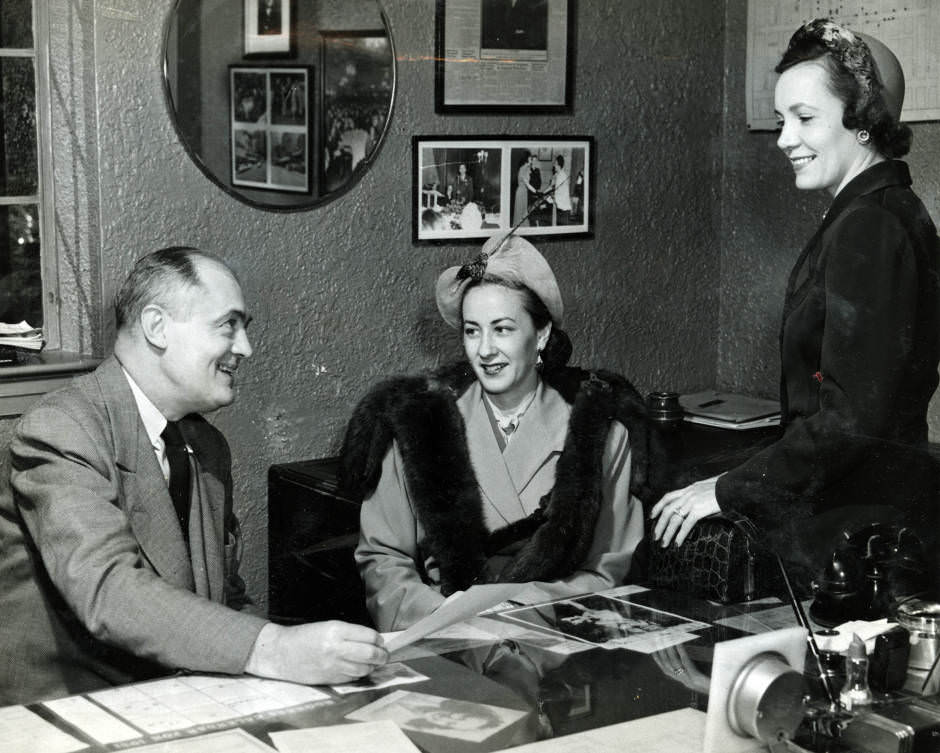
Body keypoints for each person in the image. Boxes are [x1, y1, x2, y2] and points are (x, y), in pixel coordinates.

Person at [0, 247, 387, 705]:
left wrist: (313, 654)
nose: (245, 348)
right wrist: (275, 649)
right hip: (64, 715)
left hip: (174, 700)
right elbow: (108, 591)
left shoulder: (205, 446)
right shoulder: (61, 429)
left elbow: (223, 599)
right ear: (157, 326)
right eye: (229, 325)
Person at [652, 19, 940, 583]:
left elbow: (853, 418)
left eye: (805, 119)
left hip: (863, 535)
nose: (785, 139)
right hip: (867, 513)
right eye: (783, 120)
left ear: (863, 123)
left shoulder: (872, 227)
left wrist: (730, 489)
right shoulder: (880, 212)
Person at [343, 235, 654, 631]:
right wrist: (445, 619)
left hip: (553, 647)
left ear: (541, 335)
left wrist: (510, 610)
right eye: (472, 331)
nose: (485, 350)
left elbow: (610, 571)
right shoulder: (421, 424)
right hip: (446, 639)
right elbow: (383, 560)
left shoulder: (601, 437)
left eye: (502, 329)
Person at [513, 153, 535, 226]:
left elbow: (529, 181)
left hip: (525, 192)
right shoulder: (522, 168)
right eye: (530, 158)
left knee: (524, 214)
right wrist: (536, 192)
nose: (531, 160)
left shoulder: (528, 168)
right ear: (526, 159)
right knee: (519, 214)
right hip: (520, 192)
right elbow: (527, 184)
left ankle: (524, 230)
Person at [548, 155, 571, 225]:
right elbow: (551, 187)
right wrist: (543, 194)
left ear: (558, 165)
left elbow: (559, 193)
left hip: (563, 208)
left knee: (562, 229)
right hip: (560, 207)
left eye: (555, 164)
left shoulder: (562, 176)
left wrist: (550, 198)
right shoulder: (557, 175)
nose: (554, 166)